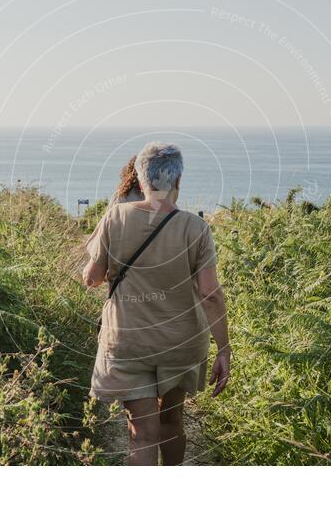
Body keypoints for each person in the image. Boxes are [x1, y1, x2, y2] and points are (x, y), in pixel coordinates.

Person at [82, 142, 231, 466]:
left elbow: (92, 278)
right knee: (171, 421)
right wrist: (224, 350)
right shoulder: (196, 228)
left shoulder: (114, 218)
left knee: (143, 434)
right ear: (177, 181)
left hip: (128, 341)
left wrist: (95, 270)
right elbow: (210, 294)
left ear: (139, 177)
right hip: (181, 343)